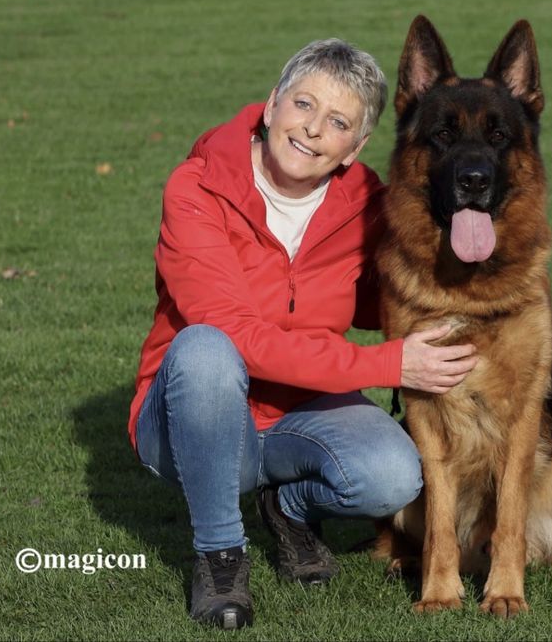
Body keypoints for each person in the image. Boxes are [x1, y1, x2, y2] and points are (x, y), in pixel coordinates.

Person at [128, 38, 477, 630]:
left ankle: (286, 504)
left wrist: (462, 246)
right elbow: (240, 336)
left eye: (338, 122)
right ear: (270, 107)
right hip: (194, 420)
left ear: (356, 147)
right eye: (303, 105)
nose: (313, 129)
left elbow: (386, 300)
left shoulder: (368, 202)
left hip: (299, 415)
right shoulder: (196, 189)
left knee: (394, 475)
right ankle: (219, 555)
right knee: (208, 348)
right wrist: (387, 366)